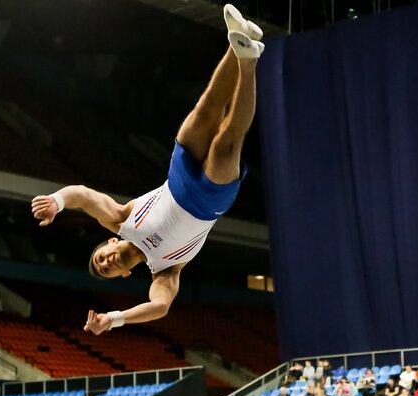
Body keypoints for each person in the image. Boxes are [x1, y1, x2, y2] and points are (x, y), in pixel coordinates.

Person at [31, 4, 265, 331]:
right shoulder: (164, 271)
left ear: (108, 243)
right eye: (108, 271)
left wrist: (56, 202)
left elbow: (83, 196)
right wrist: (114, 319)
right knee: (227, 138)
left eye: (101, 258)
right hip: (207, 203)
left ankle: (237, 41)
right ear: (124, 274)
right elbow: (158, 308)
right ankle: (250, 62)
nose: (107, 263)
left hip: (178, 175)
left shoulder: (120, 220)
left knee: (207, 109)